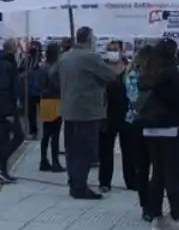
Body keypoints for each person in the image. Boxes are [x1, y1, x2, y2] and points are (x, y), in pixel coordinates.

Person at [50, 26, 119, 199]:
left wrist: (66, 89)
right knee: (85, 149)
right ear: (88, 39)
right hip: (87, 110)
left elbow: (52, 75)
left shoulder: (64, 57)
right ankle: (80, 186)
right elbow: (110, 77)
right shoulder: (91, 57)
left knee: (72, 148)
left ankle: (74, 181)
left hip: (69, 108)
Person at [137, 43, 179, 229]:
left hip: (151, 128)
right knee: (172, 174)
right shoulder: (170, 72)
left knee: (157, 174)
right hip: (171, 128)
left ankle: (156, 216)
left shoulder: (147, 73)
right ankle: (177, 216)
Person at [0, 39, 25, 183]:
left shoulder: (1, 63)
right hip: (6, 109)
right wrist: (9, 111)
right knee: (18, 136)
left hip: (0, 108)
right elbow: (4, 89)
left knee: (3, 140)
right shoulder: (6, 65)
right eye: (17, 47)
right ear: (12, 49)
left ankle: (2, 170)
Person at [124, 45, 153, 221]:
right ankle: (148, 205)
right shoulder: (137, 77)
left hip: (136, 123)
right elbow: (136, 101)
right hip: (142, 122)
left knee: (144, 167)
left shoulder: (132, 75)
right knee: (145, 167)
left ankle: (147, 205)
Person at [98, 39, 130, 193]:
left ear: (122, 50)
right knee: (105, 151)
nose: (113, 52)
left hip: (126, 114)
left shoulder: (129, 68)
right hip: (107, 115)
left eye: (116, 49)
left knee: (130, 150)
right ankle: (104, 182)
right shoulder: (102, 69)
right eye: (110, 49)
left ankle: (131, 180)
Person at [38, 42, 65, 173]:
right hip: (55, 100)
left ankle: (43, 160)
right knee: (55, 133)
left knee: (46, 133)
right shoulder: (54, 68)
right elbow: (57, 85)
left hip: (44, 100)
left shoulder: (43, 67)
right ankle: (55, 162)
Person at [23, 43, 44, 140]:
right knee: (31, 113)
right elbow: (21, 72)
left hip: (40, 89)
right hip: (30, 89)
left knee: (42, 112)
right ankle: (33, 131)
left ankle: (42, 131)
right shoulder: (26, 61)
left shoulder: (42, 62)